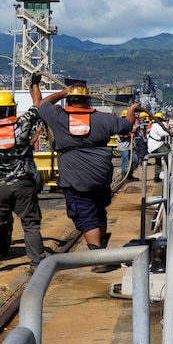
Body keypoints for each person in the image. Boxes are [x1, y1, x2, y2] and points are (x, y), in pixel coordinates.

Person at [32, 75, 140, 273]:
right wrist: (132, 110)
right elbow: (127, 126)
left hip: (74, 175)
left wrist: (63, 91)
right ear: (88, 100)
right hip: (100, 174)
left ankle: (97, 256)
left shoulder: (58, 117)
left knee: (85, 214)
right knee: (99, 210)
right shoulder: (104, 119)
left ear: (68, 100)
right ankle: (101, 250)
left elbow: (41, 103)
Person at [0, 90, 44, 271]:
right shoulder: (23, 125)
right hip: (22, 184)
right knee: (30, 224)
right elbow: (37, 104)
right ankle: (36, 263)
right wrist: (35, 85)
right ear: (12, 109)